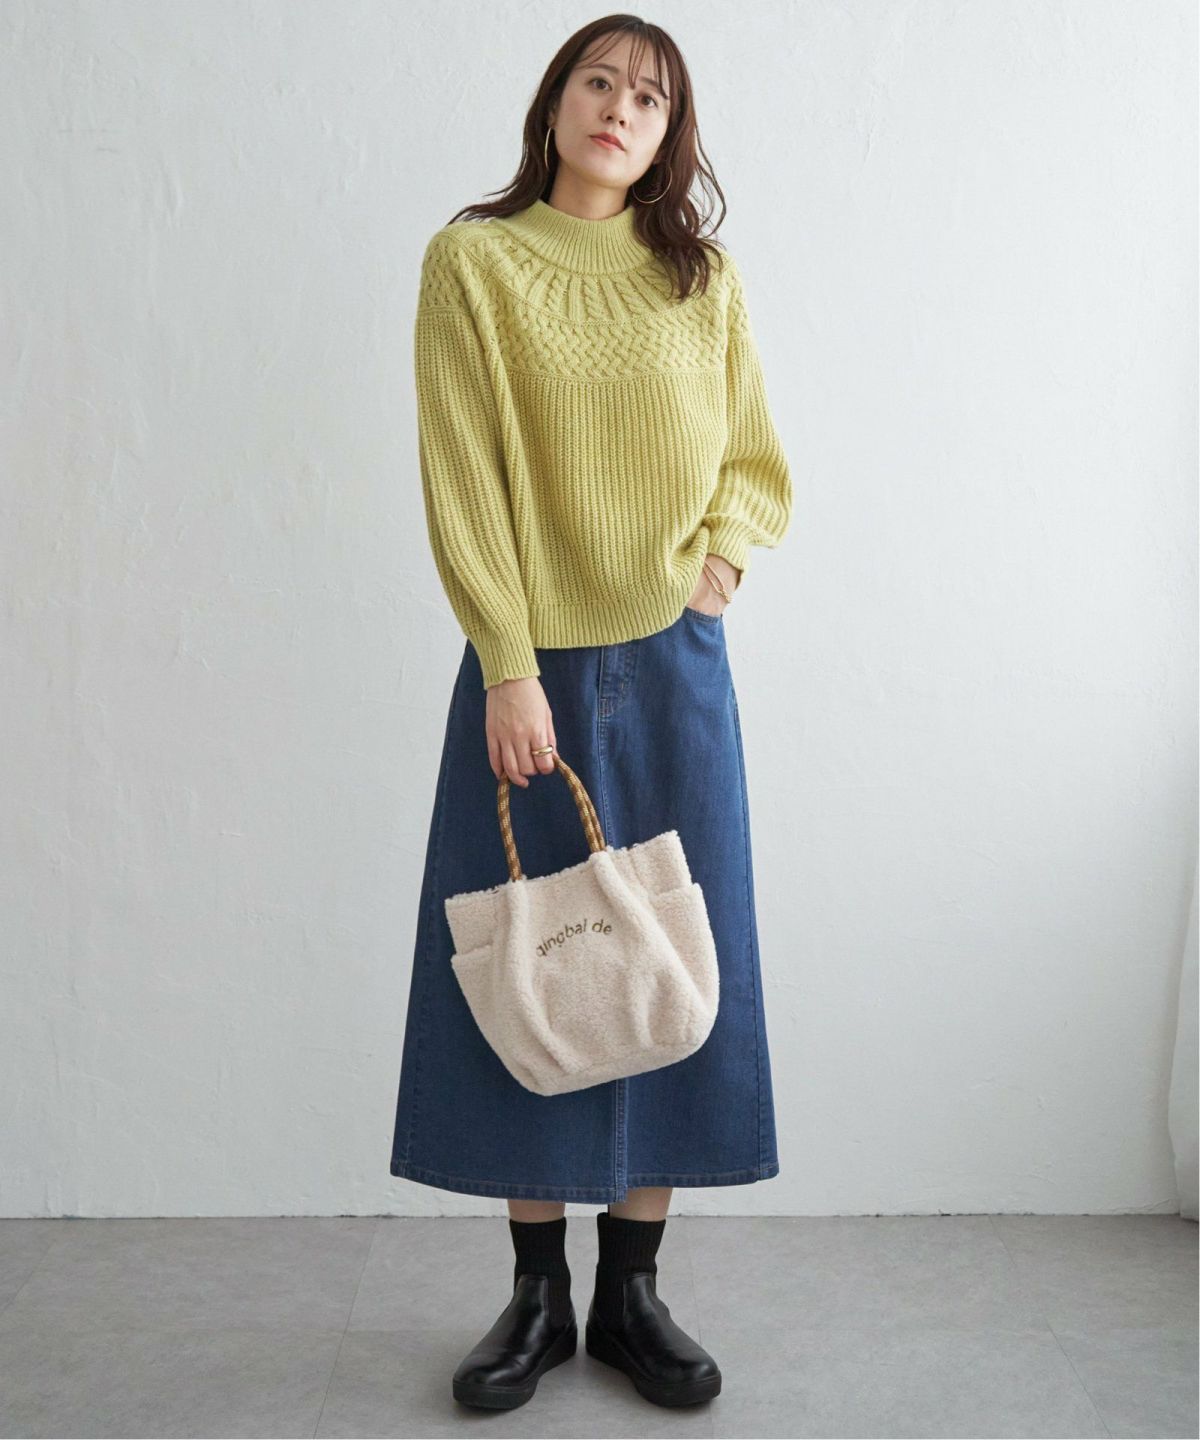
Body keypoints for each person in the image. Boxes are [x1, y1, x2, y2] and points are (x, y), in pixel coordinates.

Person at [390, 14, 793, 1412]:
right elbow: (463, 474)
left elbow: (753, 458)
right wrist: (507, 663)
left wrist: (719, 565)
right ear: (556, 102)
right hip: (534, 672)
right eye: (599, 81)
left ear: (672, 133)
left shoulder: (702, 280)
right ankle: (536, 1295)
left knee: (671, 959)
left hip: (677, 667)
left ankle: (632, 1293)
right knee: (529, 958)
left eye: (651, 97)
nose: (621, 107)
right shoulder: (476, 264)